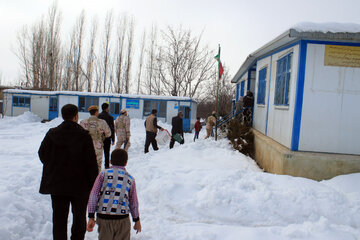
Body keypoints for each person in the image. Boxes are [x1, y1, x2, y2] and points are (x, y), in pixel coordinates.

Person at [38, 104, 98, 240]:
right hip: (79, 185)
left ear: (63, 116)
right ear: (76, 116)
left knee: (59, 218)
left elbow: (42, 154)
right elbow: (91, 163)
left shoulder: (52, 133)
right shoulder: (84, 135)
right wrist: (93, 184)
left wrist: (54, 167)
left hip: (57, 184)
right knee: (79, 217)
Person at [87, 149, 141, 240]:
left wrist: (91, 216)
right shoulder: (130, 179)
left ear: (110, 161)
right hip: (122, 219)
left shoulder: (103, 174)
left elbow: (94, 195)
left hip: (104, 218)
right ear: (126, 163)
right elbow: (133, 201)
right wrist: (136, 220)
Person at [80, 105, 111, 172]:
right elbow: (108, 134)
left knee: (86, 163)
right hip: (98, 145)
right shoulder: (102, 122)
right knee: (98, 164)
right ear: (96, 112)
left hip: (87, 146)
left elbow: (80, 134)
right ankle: (97, 179)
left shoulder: (83, 122)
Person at [98, 103, 115, 169]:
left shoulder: (98, 116)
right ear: (107, 108)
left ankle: (97, 164)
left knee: (98, 151)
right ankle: (107, 166)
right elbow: (112, 129)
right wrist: (113, 139)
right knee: (107, 152)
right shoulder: (110, 117)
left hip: (99, 137)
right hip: (107, 137)